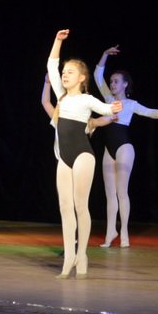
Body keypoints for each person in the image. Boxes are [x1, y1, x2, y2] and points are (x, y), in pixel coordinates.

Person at [47, 29, 122, 279]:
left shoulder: (87, 99)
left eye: (70, 72)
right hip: (64, 157)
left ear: (81, 78)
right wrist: (58, 41)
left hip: (82, 155)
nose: (64, 74)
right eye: (64, 72)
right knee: (64, 206)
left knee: (80, 205)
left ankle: (82, 254)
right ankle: (69, 256)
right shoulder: (60, 96)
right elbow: (51, 64)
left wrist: (114, 107)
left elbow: (106, 108)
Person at [93, 46, 158, 248]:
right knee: (110, 194)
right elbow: (97, 75)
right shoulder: (108, 100)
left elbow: (149, 112)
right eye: (111, 81)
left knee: (122, 191)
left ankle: (124, 233)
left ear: (125, 84)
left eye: (116, 81)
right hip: (108, 150)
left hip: (124, 148)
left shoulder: (131, 104)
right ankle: (110, 233)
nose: (112, 84)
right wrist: (105, 55)